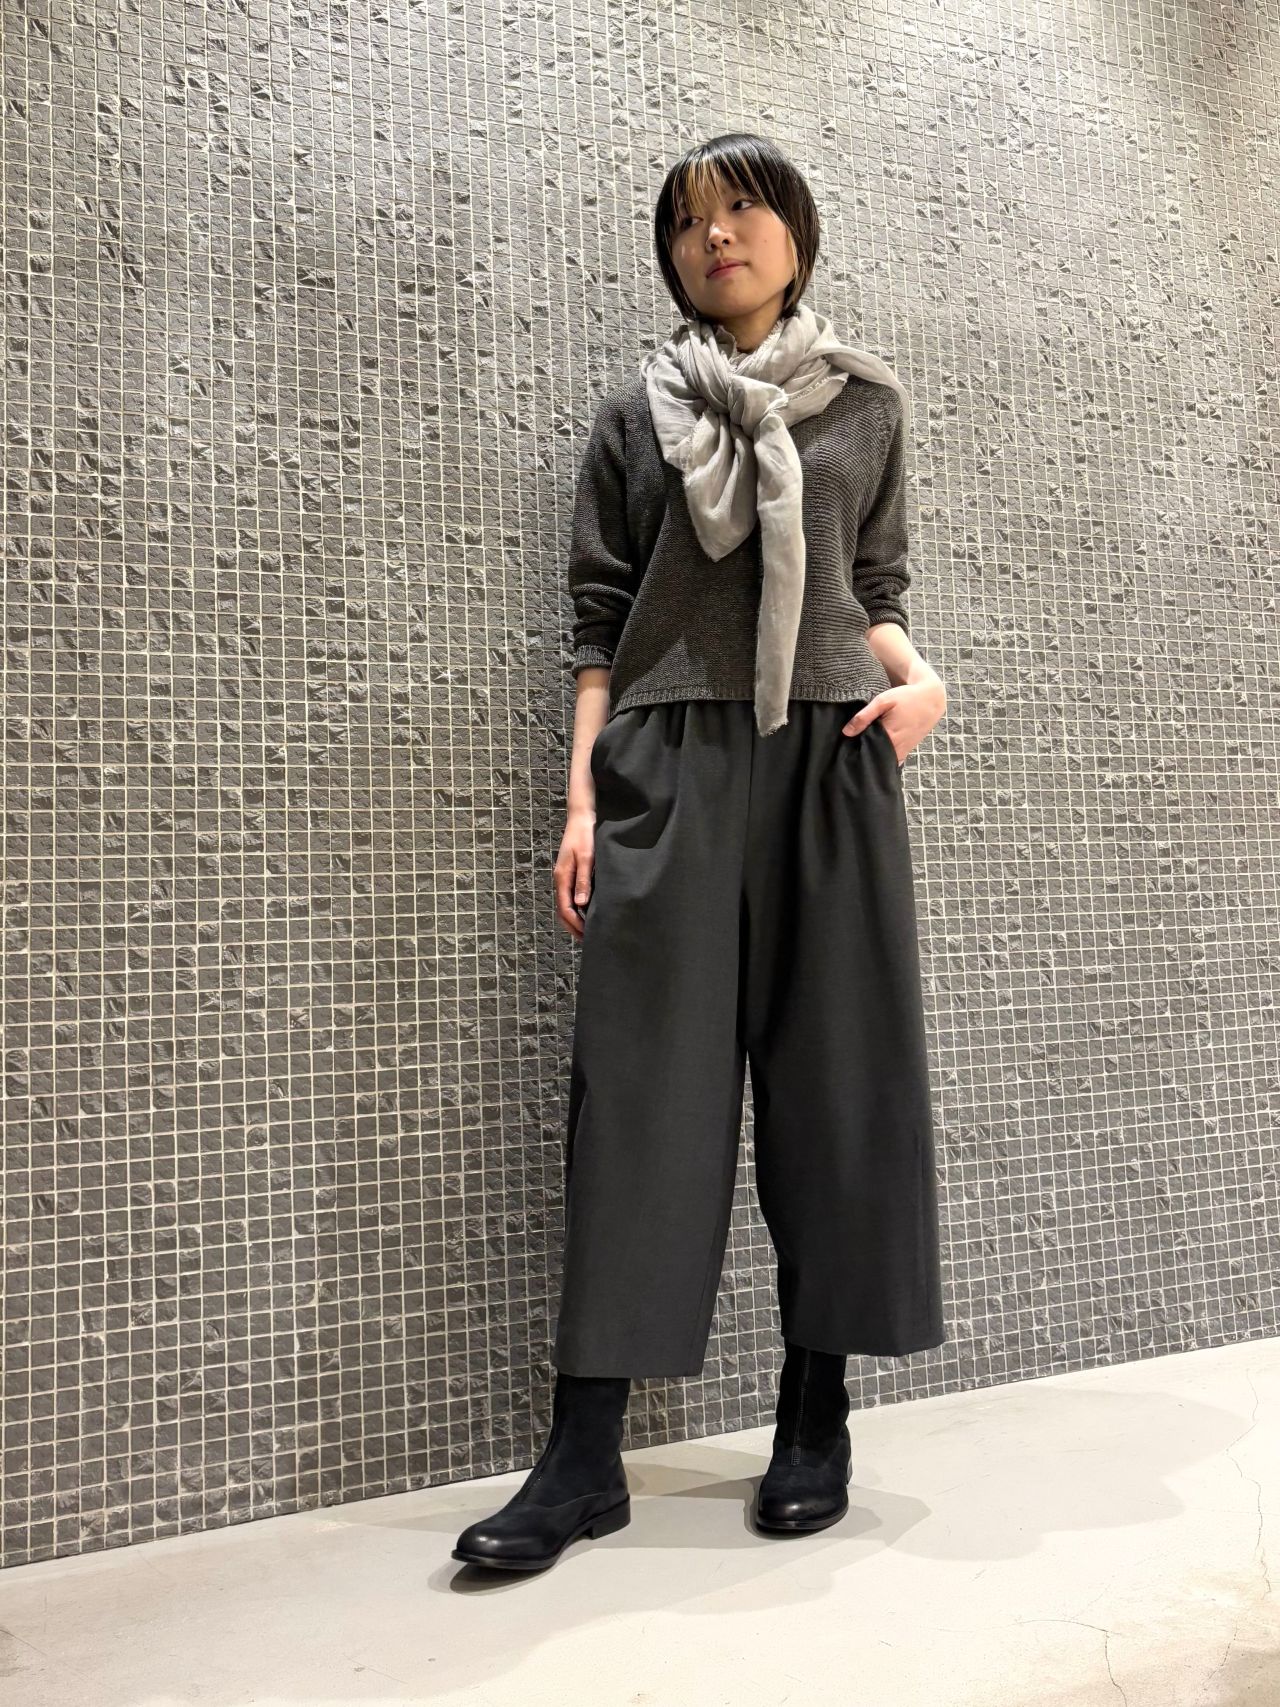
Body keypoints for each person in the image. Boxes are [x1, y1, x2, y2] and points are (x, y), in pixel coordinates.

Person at [453, 132, 948, 1573]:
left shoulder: (865, 406)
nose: (715, 236)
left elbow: (873, 586)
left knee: (838, 1085)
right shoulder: (640, 413)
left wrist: (924, 684)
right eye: (689, 220)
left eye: (742, 209)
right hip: (668, 756)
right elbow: (600, 621)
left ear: (796, 230)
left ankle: (815, 1415)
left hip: (830, 755)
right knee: (640, 1098)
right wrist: (581, 802)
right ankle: (584, 1455)